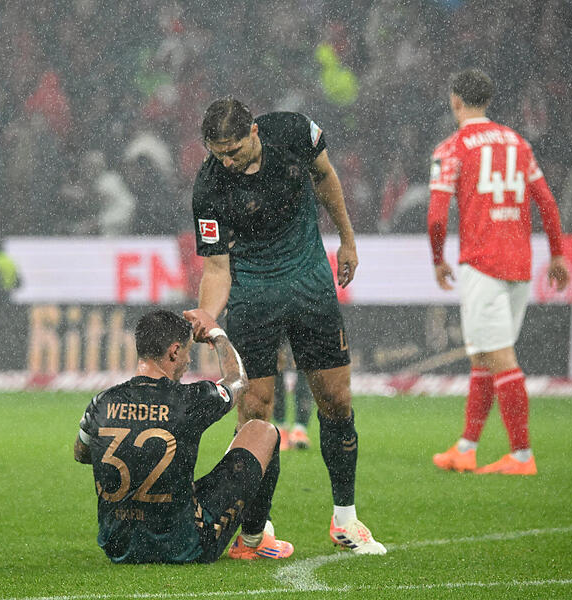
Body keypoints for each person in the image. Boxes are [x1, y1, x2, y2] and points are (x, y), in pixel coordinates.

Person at [185, 97, 386, 554]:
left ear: (254, 132)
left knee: (336, 401)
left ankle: (346, 522)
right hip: (253, 299)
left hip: (311, 285)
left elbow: (327, 178)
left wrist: (348, 243)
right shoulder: (210, 189)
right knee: (256, 415)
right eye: (219, 155)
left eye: (234, 151)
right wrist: (210, 318)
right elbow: (217, 269)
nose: (228, 162)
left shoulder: (295, 133)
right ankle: (256, 532)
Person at [427, 69, 569, 476]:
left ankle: (521, 454)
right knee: (484, 356)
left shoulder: (452, 148)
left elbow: (437, 218)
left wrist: (438, 259)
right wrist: (557, 254)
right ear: (487, 100)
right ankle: (467, 447)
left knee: (500, 357)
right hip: (519, 263)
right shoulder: (518, 143)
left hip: (482, 263)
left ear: (455, 100)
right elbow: (546, 201)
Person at [73, 309, 293, 563]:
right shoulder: (189, 400)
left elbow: (82, 454)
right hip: (182, 546)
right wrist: (217, 334)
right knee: (262, 430)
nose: (188, 361)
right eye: (188, 352)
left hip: (119, 545)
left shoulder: (102, 401)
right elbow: (238, 380)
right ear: (174, 351)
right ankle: (254, 540)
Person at [273, 343, 313, 450]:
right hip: (276, 328)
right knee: (276, 360)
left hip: (303, 327)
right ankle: (281, 428)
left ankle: (299, 430)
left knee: (304, 361)